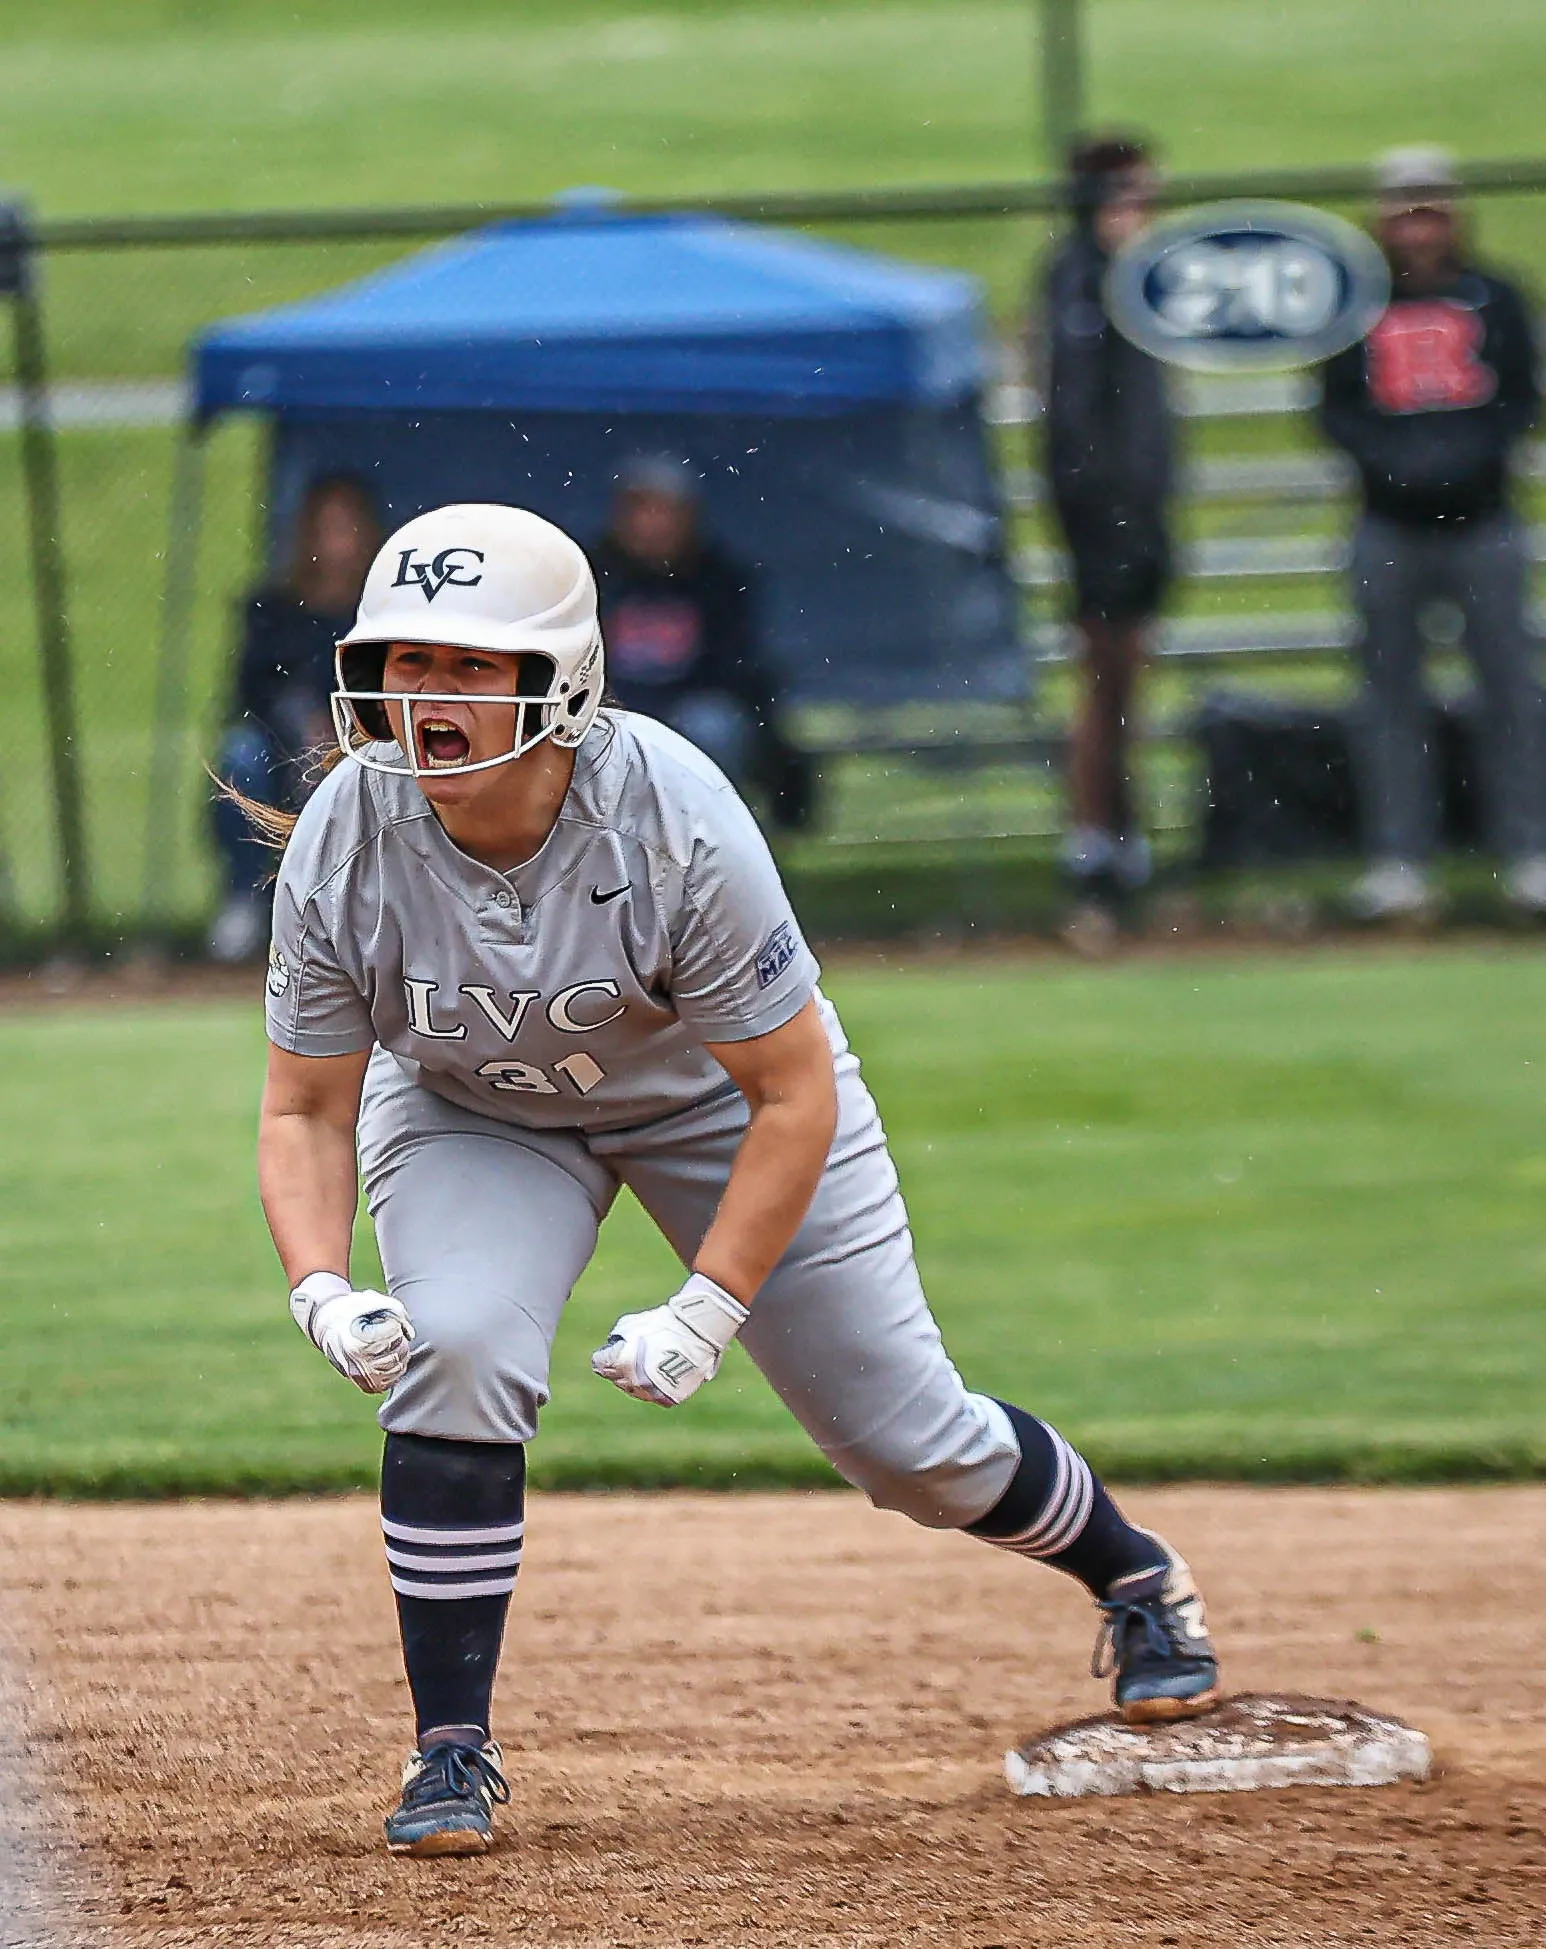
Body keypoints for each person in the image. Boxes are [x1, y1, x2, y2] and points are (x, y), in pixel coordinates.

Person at [249, 502, 1220, 1859]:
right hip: (478, 1109)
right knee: (454, 1346)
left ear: (560, 681)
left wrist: (705, 1309)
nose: (428, 700)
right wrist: (317, 1285)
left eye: (471, 666)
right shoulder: (349, 833)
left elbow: (789, 1087)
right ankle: (449, 1751)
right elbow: (302, 1106)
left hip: (715, 1105)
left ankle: (1128, 1572)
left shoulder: (670, 813)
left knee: (909, 1446)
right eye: (406, 662)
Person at [1320, 147, 1546, 921]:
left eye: (1429, 210)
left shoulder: (1498, 298)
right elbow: (1333, 409)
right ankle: (1398, 860)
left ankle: (1530, 854)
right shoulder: (1350, 306)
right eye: (1402, 212)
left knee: (1510, 692)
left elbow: (1520, 400)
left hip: (1483, 521)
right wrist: (1397, 468)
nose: (1416, 228)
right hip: (1385, 523)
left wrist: (1460, 463)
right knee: (1387, 698)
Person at [1035, 135, 1173, 931]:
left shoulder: (1140, 277)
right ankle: (1095, 834)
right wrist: (1101, 505)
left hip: (1139, 506)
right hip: (1101, 513)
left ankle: (1120, 828)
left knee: (1128, 676)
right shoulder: (1079, 278)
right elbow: (1077, 417)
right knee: (1102, 677)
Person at [208, 474, 383, 963]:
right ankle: (245, 895)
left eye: (347, 525)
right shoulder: (272, 608)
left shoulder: (383, 611)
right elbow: (250, 694)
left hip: (368, 740)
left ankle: (368, 910)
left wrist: (350, 728)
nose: (336, 538)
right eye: (325, 525)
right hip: (281, 744)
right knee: (239, 755)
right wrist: (299, 722)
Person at [590, 456, 815, 832]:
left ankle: (703, 839)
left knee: (714, 725)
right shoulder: (592, 574)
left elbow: (735, 668)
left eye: (664, 511)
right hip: (610, 711)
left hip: (687, 713)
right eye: (641, 510)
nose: (652, 523)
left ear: (689, 516)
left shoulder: (719, 579)